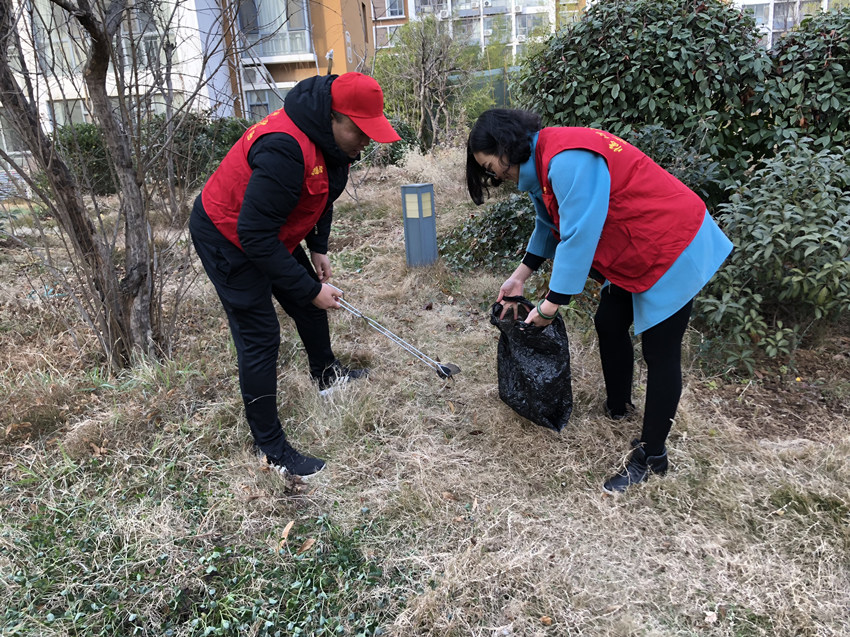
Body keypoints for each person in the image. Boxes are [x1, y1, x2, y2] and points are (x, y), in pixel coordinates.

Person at [466, 108, 732, 494]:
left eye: (493, 167)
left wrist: (550, 307)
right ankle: (619, 407)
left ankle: (653, 455)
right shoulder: (544, 162)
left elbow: (578, 235)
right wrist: (520, 276)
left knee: (660, 352)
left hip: (672, 241)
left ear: (507, 146)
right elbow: (549, 224)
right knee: (609, 321)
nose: (496, 176)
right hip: (635, 247)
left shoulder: (567, 159)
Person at [190, 73, 400, 478]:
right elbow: (253, 235)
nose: (366, 141)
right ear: (333, 118)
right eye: (360, 131)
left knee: (308, 301)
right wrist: (308, 287)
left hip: (266, 233)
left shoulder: (331, 141)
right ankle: (269, 447)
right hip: (226, 235)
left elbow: (322, 195)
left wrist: (318, 246)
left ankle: (326, 375)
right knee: (261, 334)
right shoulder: (285, 148)